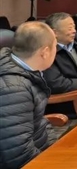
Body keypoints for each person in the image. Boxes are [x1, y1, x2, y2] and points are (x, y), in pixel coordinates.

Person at [0, 22, 58, 169]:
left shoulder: (23, 71)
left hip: (41, 152)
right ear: (45, 52)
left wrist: (57, 149)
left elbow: (39, 123)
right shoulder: (15, 89)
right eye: (55, 46)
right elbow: (18, 155)